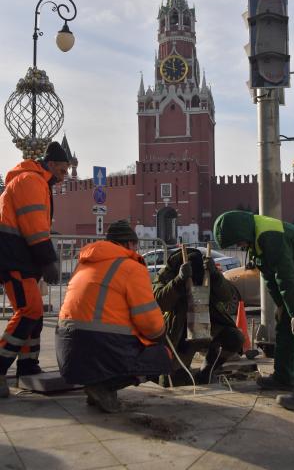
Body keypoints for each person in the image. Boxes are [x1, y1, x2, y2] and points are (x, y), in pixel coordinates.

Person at [213, 211, 294, 411]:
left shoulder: (270, 236)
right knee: (283, 324)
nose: (240, 247)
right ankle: (284, 377)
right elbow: (270, 277)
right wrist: (283, 307)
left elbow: (285, 275)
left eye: (239, 243)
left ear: (243, 233)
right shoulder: (256, 239)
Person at [56, 219, 171, 413]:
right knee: (162, 356)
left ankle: (96, 387)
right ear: (127, 244)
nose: (137, 250)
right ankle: (104, 388)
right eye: (135, 245)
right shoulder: (131, 267)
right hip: (100, 345)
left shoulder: (84, 263)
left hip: (67, 350)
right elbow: (150, 322)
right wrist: (160, 334)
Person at [0, 141, 68, 398]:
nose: (65, 176)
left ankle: (28, 366)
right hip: (14, 257)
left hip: (18, 257)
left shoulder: (33, 180)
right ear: (50, 165)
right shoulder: (31, 181)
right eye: (62, 170)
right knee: (30, 310)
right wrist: (47, 260)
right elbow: (35, 225)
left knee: (34, 312)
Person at [153, 247, 244, 386]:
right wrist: (178, 281)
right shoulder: (168, 273)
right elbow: (159, 301)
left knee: (234, 338)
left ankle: (208, 369)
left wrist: (215, 275)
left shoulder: (205, 271)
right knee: (171, 382)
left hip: (210, 326)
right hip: (180, 334)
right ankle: (180, 371)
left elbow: (227, 295)